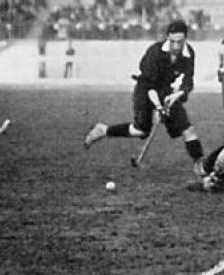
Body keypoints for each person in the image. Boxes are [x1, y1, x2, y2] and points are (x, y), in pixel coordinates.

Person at [83, 19, 204, 172]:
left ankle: (201, 166)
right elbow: (150, 86)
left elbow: (188, 82)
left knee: (188, 130)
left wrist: (178, 95)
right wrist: (159, 108)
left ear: (185, 39)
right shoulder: (155, 52)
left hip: (167, 93)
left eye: (179, 42)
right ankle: (103, 130)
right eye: (172, 41)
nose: (176, 46)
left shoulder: (189, 53)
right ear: (167, 37)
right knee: (141, 130)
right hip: (146, 89)